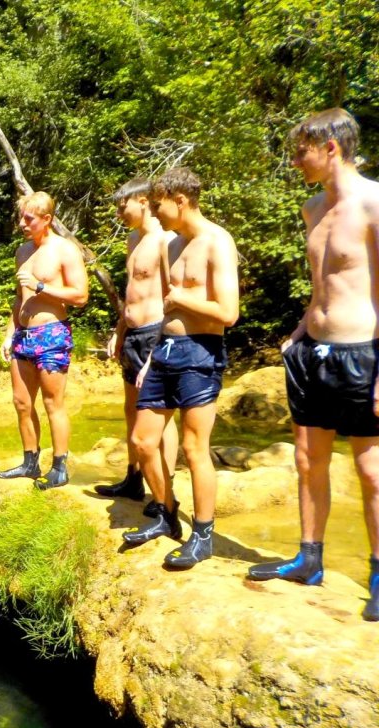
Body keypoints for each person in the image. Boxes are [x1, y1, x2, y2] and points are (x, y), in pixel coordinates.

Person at [246, 108, 379, 622]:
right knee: (307, 460)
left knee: (371, 472)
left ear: (331, 147)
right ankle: (310, 558)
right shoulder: (312, 207)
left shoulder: (372, 203)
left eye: (300, 150)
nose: (294, 161)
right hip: (312, 351)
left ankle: (377, 573)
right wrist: (300, 331)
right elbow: (322, 282)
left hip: (361, 351)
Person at [122, 167, 239, 569]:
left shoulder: (216, 242)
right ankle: (167, 512)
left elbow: (228, 312)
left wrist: (181, 298)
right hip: (165, 350)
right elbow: (169, 307)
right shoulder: (171, 245)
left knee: (193, 447)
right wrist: (152, 355)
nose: (155, 213)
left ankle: (202, 534)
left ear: (180, 200)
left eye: (159, 205)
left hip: (201, 352)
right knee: (142, 441)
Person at [0, 190, 89, 489]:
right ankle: (29, 462)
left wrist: (40, 286)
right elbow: (18, 298)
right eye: (20, 217)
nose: (22, 223)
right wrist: (9, 333)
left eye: (29, 218)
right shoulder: (22, 252)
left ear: (46, 219)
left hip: (51, 334)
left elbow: (80, 296)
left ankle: (59, 466)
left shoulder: (65, 250)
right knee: (22, 402)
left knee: (52, 403)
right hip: (23, 335)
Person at [96, 178, 180, 507]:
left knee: (159, 414)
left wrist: (160, 342)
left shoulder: (165, 239)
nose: (119, 212)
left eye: (123, 205)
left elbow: (172, 296)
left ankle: (164, 491)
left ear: (143, 201)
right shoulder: (134, 239)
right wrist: (120, 330)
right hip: (132, 333)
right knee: (132, 408)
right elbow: (132, 290)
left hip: (155, 332)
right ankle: (134, 479)